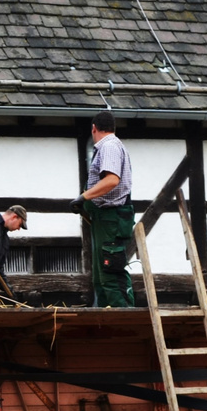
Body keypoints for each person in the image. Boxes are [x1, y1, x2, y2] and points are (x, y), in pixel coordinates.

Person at [69, 110, 136, 307]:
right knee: (100, 276)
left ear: (94, 128)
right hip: (105, 218)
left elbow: (112, 179)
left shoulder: (109, 146)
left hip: (111, 218)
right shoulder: (111, 146)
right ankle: (107, 315)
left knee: (111, 272)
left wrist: (84, 196)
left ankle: (125, 316)